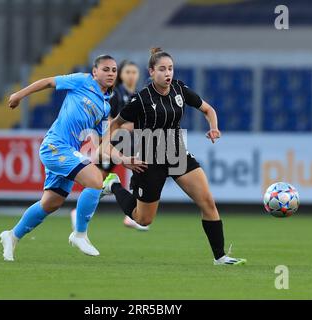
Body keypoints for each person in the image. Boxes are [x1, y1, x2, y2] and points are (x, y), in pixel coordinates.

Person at [101, 48, 247, 265]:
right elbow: (111, 129)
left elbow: (208, 110)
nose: (167, 73)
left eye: (170, 68)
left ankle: (220, 257)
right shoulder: (141, 99)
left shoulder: (179, 89)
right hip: (149, 159)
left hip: (177, 152)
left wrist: (214, 128)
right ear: (151, 72)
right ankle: (113, 184)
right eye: (162, 69)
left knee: (207, 201)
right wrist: (122, 158)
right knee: (143, 219)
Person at [0, 55, 145, 261]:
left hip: (68, 151)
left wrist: (123, 159)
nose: (111, 73)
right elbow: (49, 81)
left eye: (113, 70)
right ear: (95, 72)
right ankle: (79, 234)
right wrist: (19, 95)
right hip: (55, 145)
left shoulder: (105, 107)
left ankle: (12, 236)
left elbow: (102, 144)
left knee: (51, 203)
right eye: (105, 69)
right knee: (96, 179)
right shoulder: (83, 80)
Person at [70, 60, 149, 232]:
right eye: (127, 72)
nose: (131, 75)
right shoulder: (116, 95)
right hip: (113, 142)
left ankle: (132, 215)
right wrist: (122, 128)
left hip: (130, 141)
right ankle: (78, 212)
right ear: (121, 75)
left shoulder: (137, 95)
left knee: (140, 172)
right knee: (99, 179)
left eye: (134, 72)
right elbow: (107, 120)